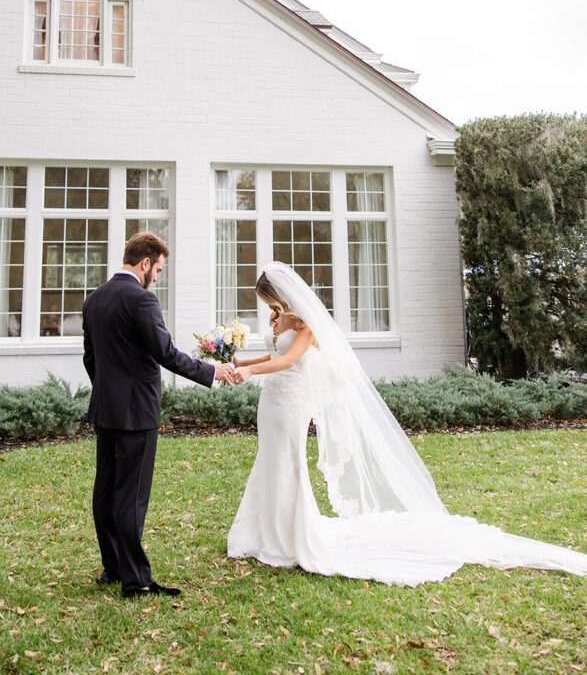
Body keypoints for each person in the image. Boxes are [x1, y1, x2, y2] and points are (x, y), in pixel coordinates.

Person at [228, 261, 587, 585]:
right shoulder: (278, 320)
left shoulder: (306, 324)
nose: (268, 310)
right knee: (269, 458)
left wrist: (250, 372)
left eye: (269, 301)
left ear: (282, 294)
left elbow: (291, 359)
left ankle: (289, 538)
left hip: (291, 400)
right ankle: (266, 533)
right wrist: (240, 362)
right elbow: (274, 353)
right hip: (271, 400)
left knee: (288, 462)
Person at [83, 231, 235, 599]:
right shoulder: (141, 300)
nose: (158, 277)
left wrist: (110, 392)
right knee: (130, 497)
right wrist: (212, 372)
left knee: (105, 492)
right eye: (159, 270)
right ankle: (136, 581)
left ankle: (114, 568)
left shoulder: (94, 300)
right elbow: (166, 353)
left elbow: (91, 360)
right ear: (146, 263)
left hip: (107, 409)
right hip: (138, 412)